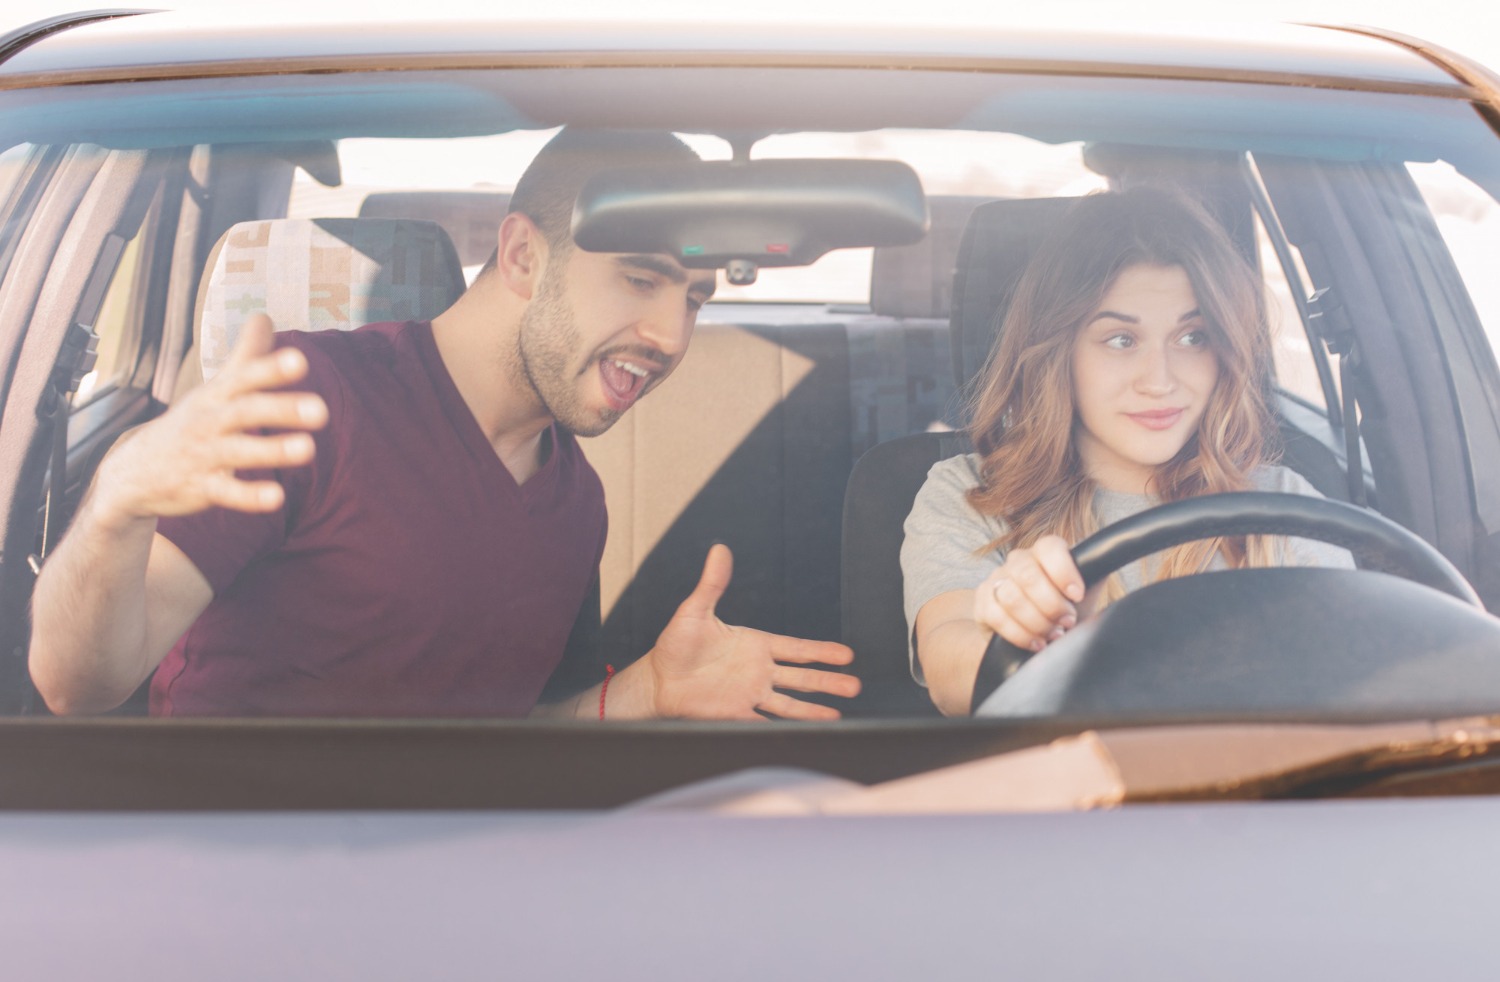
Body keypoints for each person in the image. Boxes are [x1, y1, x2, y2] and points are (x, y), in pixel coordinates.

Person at [28, 128, 858, 719]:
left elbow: (499, 753)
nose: (673, 337)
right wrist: (114, 512)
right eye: (643, 280)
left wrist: (641, 695)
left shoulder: (576, 504)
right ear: (524, 256)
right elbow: (79, 686)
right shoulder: (305, 403)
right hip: (228, 884)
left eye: (695, 299)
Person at [901, 187, 1353, 716]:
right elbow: (952, 670)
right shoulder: (970, 494)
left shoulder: (1280, 505)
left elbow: (1352, 669)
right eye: (1120, 340)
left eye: (1193, 338)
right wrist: (1031, 634)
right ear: (1059, 351)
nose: (1159, 382)